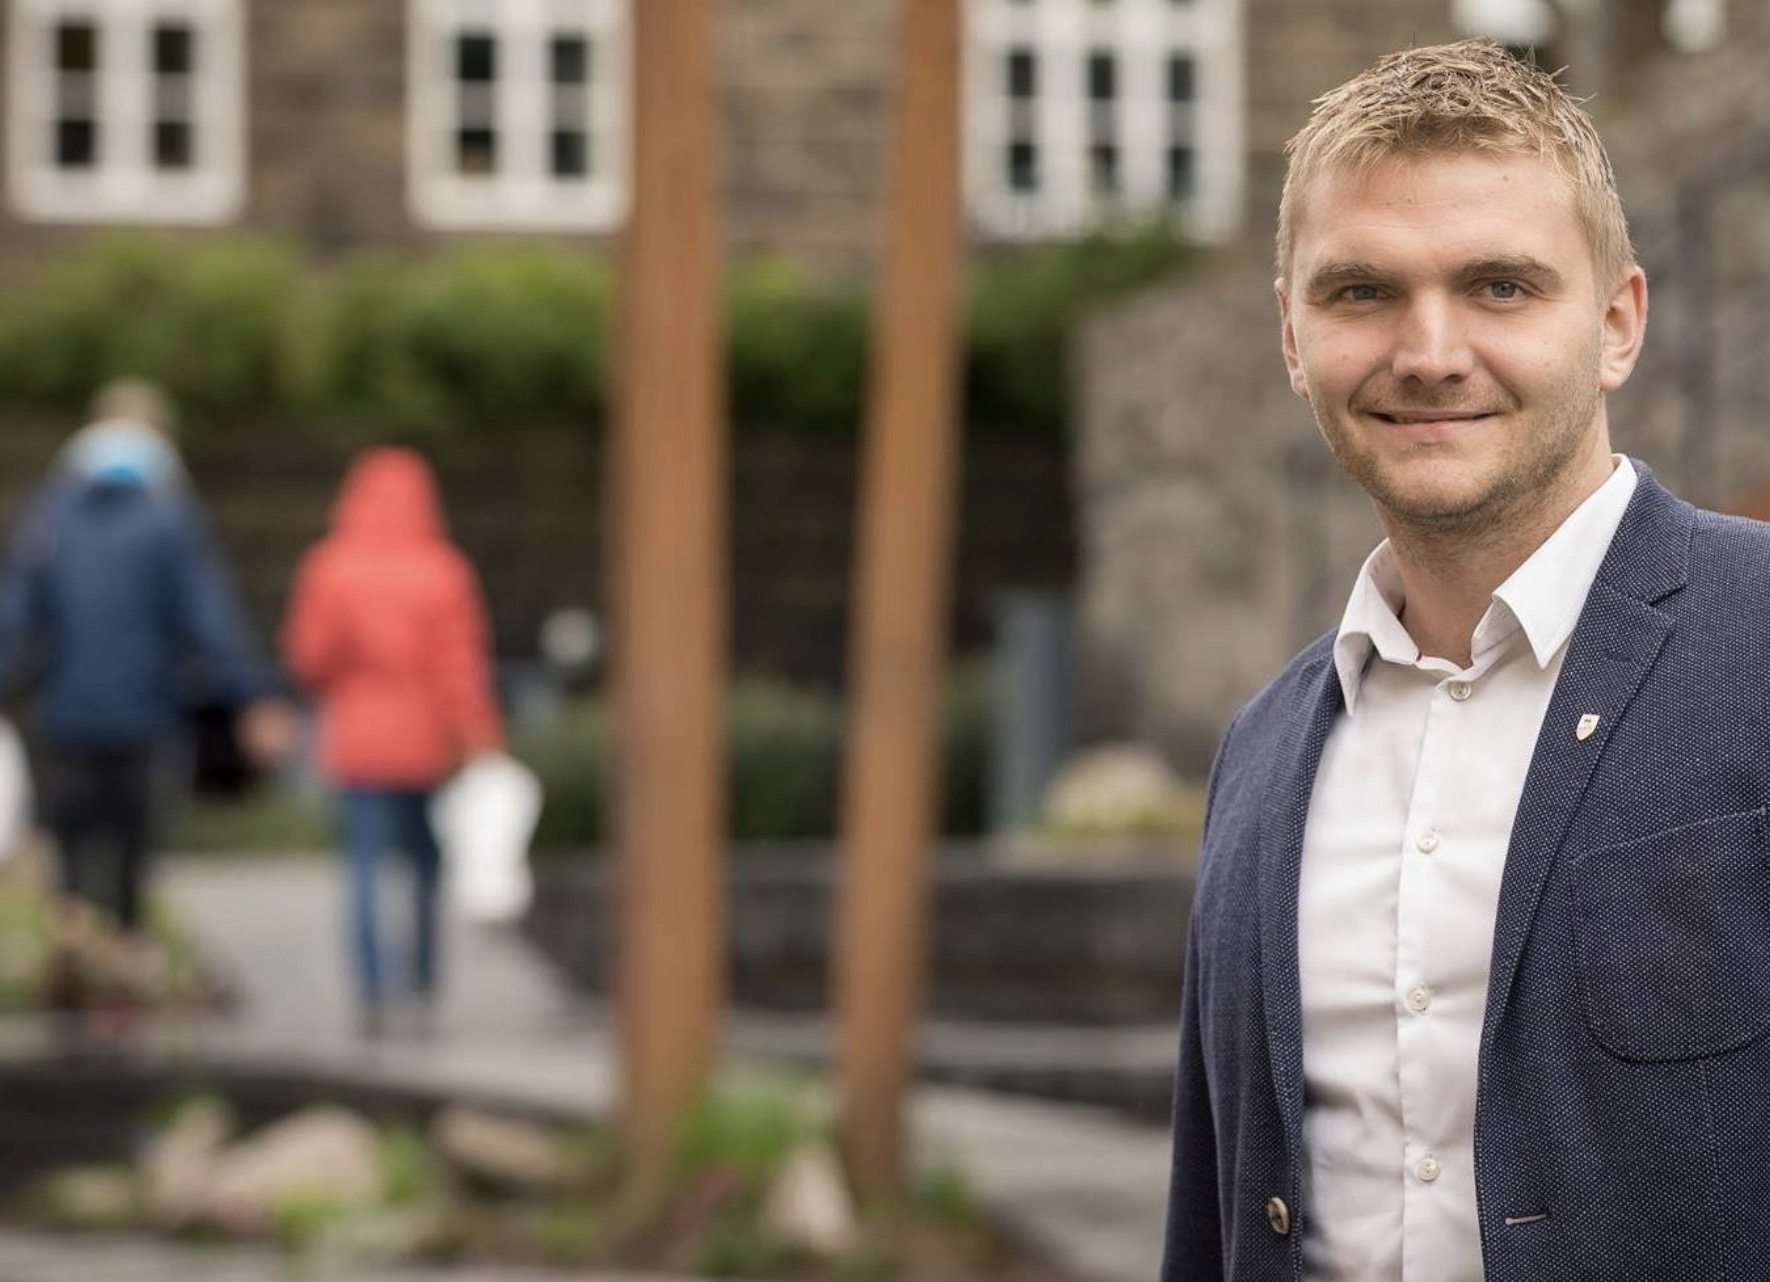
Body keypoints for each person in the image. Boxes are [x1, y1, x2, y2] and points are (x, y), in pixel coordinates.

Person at [1163, 39, 1770, 1282]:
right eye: (1361, 291)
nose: (1430, 352)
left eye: (1500, 286)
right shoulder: (1262, 753)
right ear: (1292, 336)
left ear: (1617, 323)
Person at [0, 379, 292, 939]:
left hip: (66, 719)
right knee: (131, 873)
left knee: (70, 873)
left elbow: (15, 618)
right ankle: (126, 956)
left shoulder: (52, 511)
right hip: (145, 719)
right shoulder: (169, 516)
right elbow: (209, 619)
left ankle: (74, 957)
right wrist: (253, 695)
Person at [281, 447, 503, 1037]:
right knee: (426, 869)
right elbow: (461, 667)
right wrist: (480, 735)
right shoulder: (444, 570)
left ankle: (372, 993)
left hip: (358, 741)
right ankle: (423, 985)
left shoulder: (331, 566)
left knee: (363, 871)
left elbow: (309, 656)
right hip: (427, 745)